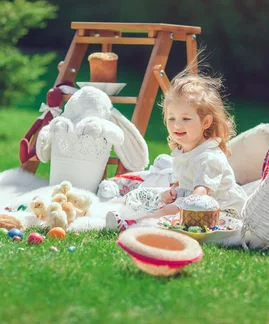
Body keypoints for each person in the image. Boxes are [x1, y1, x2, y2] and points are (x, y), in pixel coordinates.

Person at [106, 66, 249, 231]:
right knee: (152, 195)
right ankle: (109, 206)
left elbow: (201, 193)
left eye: (186, 118)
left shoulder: (209, 158)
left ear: (205, 122)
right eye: (171, 118)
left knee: (171, 210)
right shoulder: (184, 150)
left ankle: (135, 224)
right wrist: (173, 191)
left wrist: (178, 205)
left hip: (216, 204)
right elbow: (183, 178)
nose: (177, 125)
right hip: (190, 195)